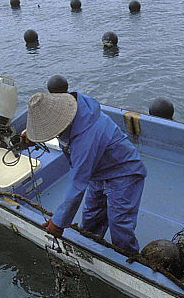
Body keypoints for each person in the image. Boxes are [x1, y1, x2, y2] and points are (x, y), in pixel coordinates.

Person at [24, 91, 147, 254]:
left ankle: (130, 259)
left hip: (124, 173)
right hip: (98, 172)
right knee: (91, 218)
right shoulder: (74, 109)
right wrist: (35, 133)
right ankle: (90, 251)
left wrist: (58, 222)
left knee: (119, 226)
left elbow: (77, 184)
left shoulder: (85, 139)